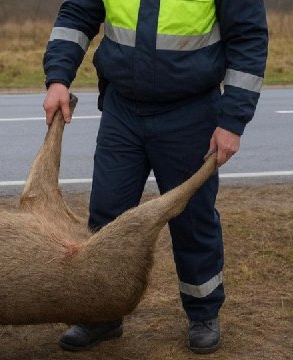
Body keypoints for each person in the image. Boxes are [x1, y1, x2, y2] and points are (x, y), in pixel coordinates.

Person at [42, 0, 268, 354]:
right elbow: (77, 14)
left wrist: (232, 120)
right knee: (107, 216)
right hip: (123, 110)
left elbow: (249, 38)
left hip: (191, 112)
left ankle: (203, 312)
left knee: (192, 219)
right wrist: (58, 78)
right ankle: (103, 314)